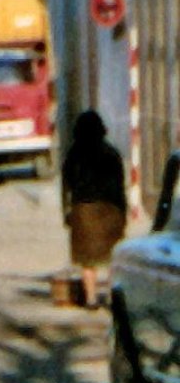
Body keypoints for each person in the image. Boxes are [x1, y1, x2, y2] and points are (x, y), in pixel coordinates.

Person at [61, 110, 127, 309]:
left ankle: (91, 299)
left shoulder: (73, 155)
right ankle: (110, 296)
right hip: (110, 210)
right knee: (111, 258)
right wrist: (123, 213)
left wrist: (67, 213)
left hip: (83, 212)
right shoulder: (111, 153)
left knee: (87, 261)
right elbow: (120, 185)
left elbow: (66, 187)